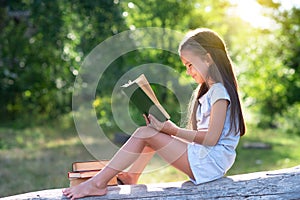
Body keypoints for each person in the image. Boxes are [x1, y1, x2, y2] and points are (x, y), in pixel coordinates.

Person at [63, 28, 246, 199]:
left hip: (210, 163)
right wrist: (164, 129)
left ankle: (98, 183)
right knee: (153, 133)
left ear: (208, 58)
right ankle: (131, 177)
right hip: (206, 159)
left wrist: (172, 130)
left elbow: (211, 139)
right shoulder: (210, 91)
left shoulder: (219, 92)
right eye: (185, 66)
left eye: (190, 64)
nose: (188, 71)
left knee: (145, 133)